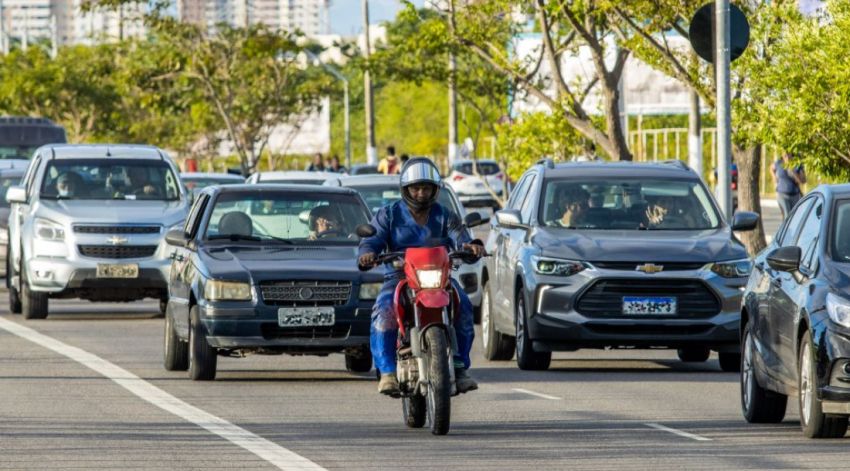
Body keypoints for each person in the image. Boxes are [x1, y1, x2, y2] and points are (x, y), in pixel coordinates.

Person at [358, 157, 483, 395]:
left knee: (464, 305)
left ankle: (459, 367)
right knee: (384, 309)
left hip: (439, 278)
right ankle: (387, 372)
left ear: (434, 189)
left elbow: (462, 237)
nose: (421, 193)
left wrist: (472, 246)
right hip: (399, 276)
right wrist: (367, 253)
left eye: (426, 188)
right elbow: (371, 240)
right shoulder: (389, 214)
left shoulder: (445, 215)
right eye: (416, 188)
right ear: (405, 189)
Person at [772, 153, 806, 219]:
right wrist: (774, 177)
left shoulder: (797, 165)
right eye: (785, 155)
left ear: (792, 154)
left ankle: (790, 228)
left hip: (794, 195)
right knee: (787, 215)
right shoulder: (779, 163)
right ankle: (786, 228)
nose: (787, 156)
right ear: (782, 154)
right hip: (782, 194)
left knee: (794, 216)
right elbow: (771, 168)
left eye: (788, 154)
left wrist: (794, 173)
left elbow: (803, 181)